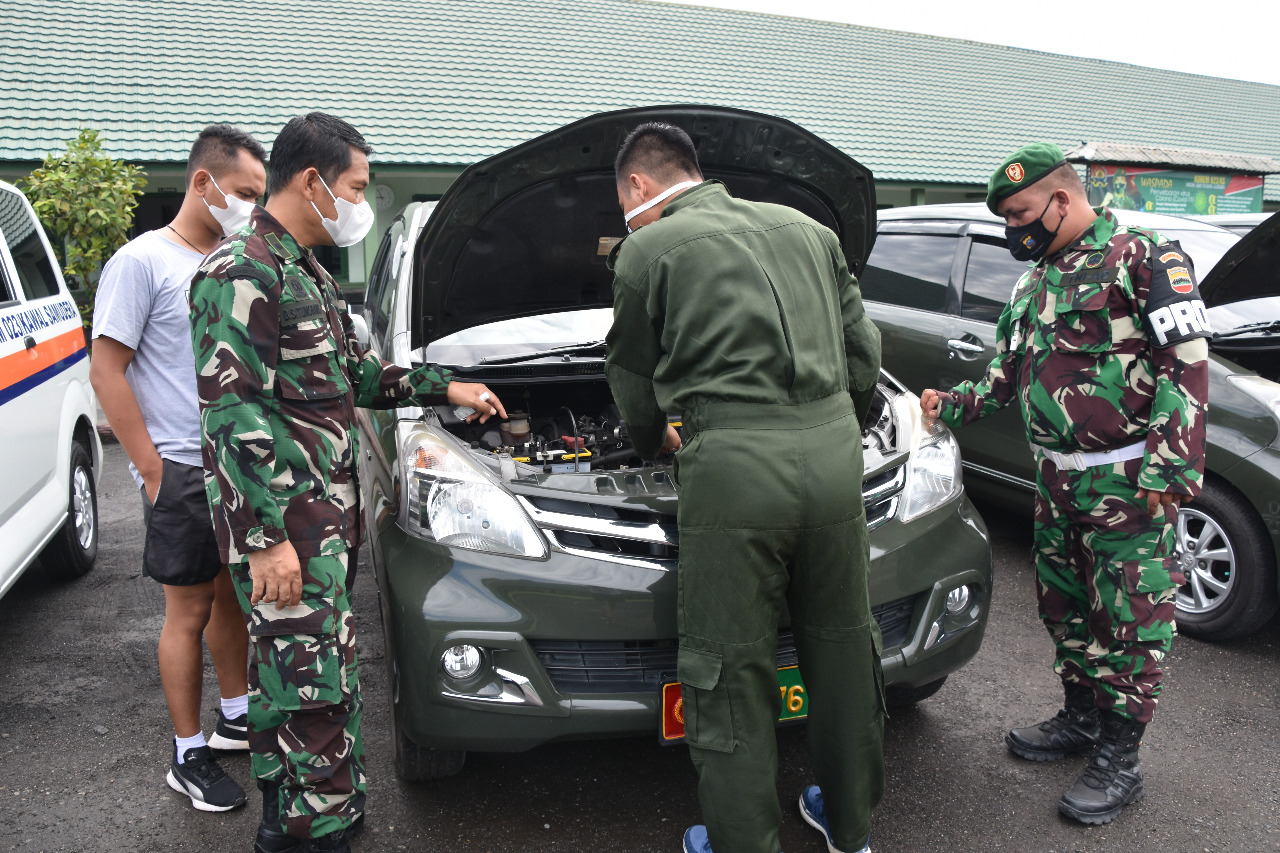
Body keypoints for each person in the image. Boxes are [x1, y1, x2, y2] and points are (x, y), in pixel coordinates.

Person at [187, 112, 505, 853]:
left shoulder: (305, 269)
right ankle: (310, 829)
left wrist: (445, 386)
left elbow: (351, 375)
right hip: (285, 531)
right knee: (305, 683)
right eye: (357, 186)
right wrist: (264, 543)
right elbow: (230, 417)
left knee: (312, 676)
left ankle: (313, 811)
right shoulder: (242, 271)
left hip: (320, 527)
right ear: (311, 181)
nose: (363, 200)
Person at [605, 122, 884, 853]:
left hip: (732, 473)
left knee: (728, 666)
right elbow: (865, 352)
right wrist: (837, 429)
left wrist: (650, 443)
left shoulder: (648, 248)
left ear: (638, 186)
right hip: (833, 463)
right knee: (843, 647)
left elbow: (632, 380)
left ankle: (740, 841)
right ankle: (849, 827)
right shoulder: (810, 229)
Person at [921, 142, 1209, 825]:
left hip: (1129, 486)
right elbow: (1009, 372)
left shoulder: (1142, 256)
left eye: (1021, 212)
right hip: (1055, 484)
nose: (1014, 229)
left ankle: (1120, 757)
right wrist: (950, 403)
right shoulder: (1037, 281)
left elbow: (1186, 360)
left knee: (1130, 623)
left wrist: (1171, 464)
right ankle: (1082, 719)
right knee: (1067, 610)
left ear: (1061, 198)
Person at [91, 123, 267, 813]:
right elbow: (108, 370)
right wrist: (150, 467)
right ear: (204, 182)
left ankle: (234, 716)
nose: (252, 206)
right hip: (182, 470)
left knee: (229, 598)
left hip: (231, 466)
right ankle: (187, 754)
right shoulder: (142, 262)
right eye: (245, 192)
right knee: (186, 610)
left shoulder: (232, 258)